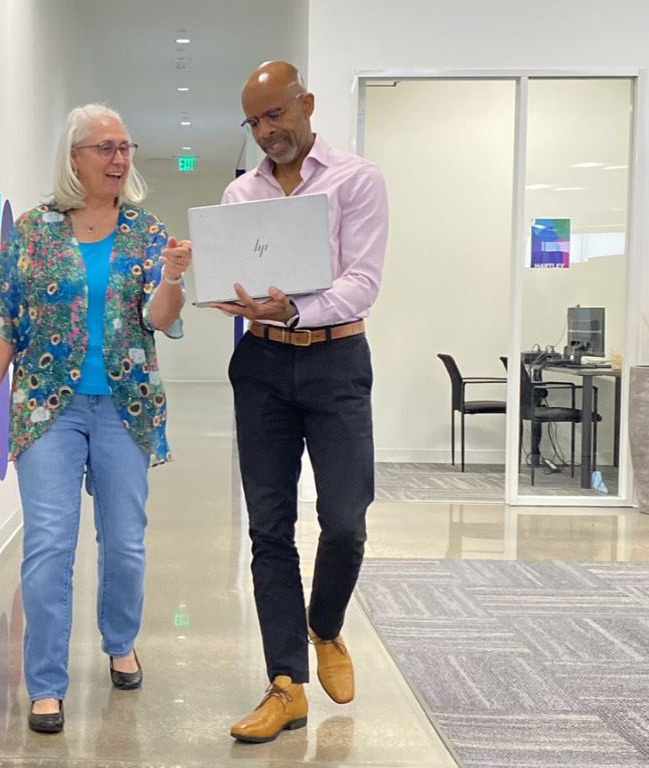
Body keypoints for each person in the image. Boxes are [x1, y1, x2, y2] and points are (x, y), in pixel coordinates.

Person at [0, 104, 190, 734]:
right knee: (47, 545)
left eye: (126, 147)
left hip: (126, 407)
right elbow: (0, 326)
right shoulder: (34, 233)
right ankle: (45, 684)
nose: (120, 160)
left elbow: (161, 317)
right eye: (106, 148)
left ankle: (120, 641)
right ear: (74, 158)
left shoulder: (147, 232)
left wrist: (172, 277)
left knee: (123, 542)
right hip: (47, 410)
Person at [190, 60, 390, 743]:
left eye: (276, 115)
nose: (266, 132)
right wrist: (230, 296)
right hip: (262, 365)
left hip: (336, 359)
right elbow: (235, 278)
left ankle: (325, 625)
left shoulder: (357, 179)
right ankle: (286, 684)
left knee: (345, 518)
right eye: (254, 122)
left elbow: (362, 282)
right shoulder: (239, 193)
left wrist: (294, 309)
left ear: (306, 103)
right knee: (269, 527)